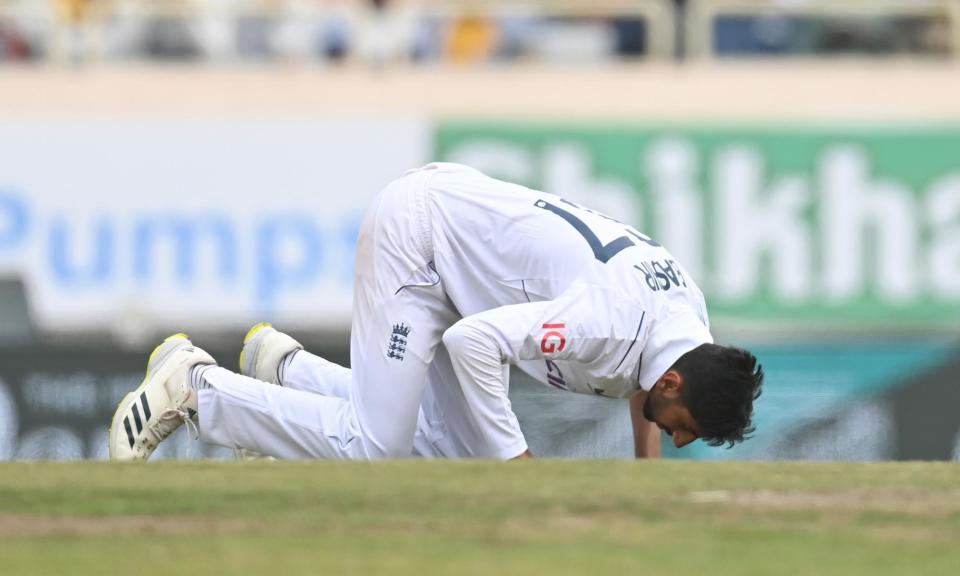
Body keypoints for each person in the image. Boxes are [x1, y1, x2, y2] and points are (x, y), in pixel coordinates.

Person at [108, 163, 763, 461]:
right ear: (676, 383)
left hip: (459, 253)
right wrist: (518, 465)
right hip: (421, 242)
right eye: (686, 429)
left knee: (447, 453)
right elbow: (475, 344)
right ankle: (194, 388)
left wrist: (646, 477)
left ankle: (285, 369)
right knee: (375, 445)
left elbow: (651, 382)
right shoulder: (608, 320)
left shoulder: (684, 326)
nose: (680, 440)